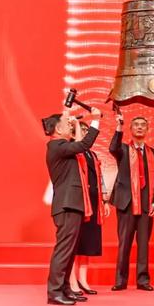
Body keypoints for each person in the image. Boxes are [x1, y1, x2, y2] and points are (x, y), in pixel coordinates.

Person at [43, 107, 101, 306]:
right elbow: (84, 144)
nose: (70, 126)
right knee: (63, 251)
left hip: (72, 205)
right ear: (58, 129)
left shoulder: (63, 146)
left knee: (69, 251)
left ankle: (65, 289)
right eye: (66, 124)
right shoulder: (56, 146)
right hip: (66, 206)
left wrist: (74, 124)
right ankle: (54, 292)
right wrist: (95, 120)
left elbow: (79, 145)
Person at [109, 113, 154, 291]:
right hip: (126, 204)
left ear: (147, 129)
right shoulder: (123, 150)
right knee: (124, 243)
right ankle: (120, 281)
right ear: (131, 129)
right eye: (136, 124)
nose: (139, 127)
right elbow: (113, 147)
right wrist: (119, 127)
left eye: (143, 125)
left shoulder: (153, 154)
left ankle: (143, 280)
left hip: (147, 204)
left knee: (143, 244)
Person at [68, 122, 111, 296]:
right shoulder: (71, 152)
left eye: (87, 131)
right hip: (78, 202)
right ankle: (71, 281)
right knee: (75, 243)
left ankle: (83, 279)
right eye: (82, 131)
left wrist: (105, 200)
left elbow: (99, 178)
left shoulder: (92, 154)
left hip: (93, 202)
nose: (86, 134)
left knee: (87, 243)